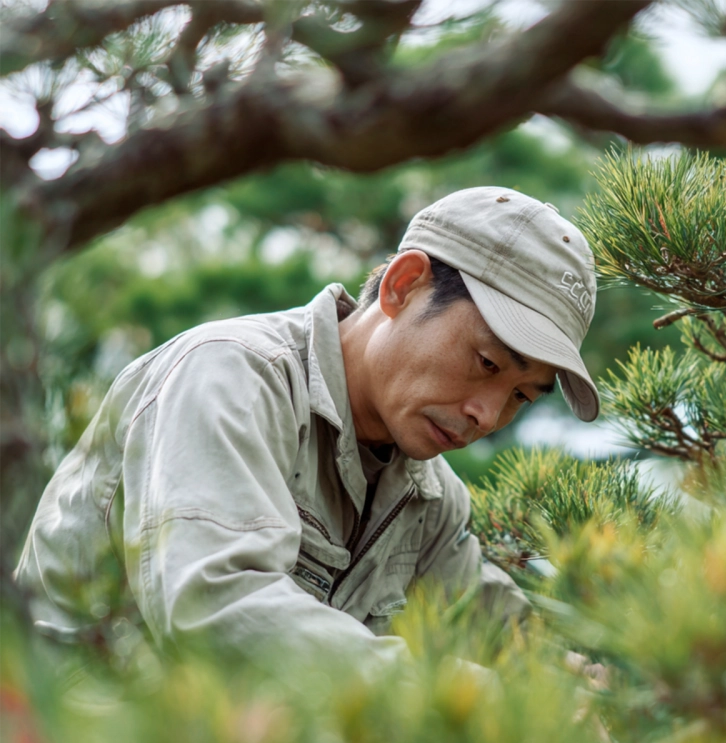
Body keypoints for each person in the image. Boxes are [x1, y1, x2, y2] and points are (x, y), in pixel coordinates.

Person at [14, 187, 599, 673]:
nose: (488, 417)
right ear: (403, 285)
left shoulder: (427, 496)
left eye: (521, 396)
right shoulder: (231, 375)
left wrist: (574, 685)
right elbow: (213, 609)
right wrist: (462, 701)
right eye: (488, 364)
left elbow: (494, 629)